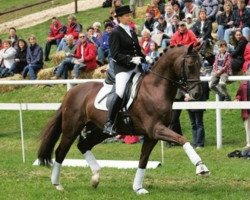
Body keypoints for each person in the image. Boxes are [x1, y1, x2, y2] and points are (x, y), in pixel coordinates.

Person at [103, 5, 145, 135]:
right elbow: (115, 55)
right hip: (123, 69)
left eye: (130, 15)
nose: (129, 17)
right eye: (126, 15)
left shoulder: (131, 31)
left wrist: (145, 58)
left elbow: (137, 50)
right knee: (120, 91)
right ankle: (109, 123)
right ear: (120, 18)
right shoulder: (115, 33)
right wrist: (131, 59)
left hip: (136, 68)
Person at [235, 80, 250, 149]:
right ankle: (248, 143)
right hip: (246, 110)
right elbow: (239, 94)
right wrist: (237, 99)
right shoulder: (243, 83)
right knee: (247, 127)